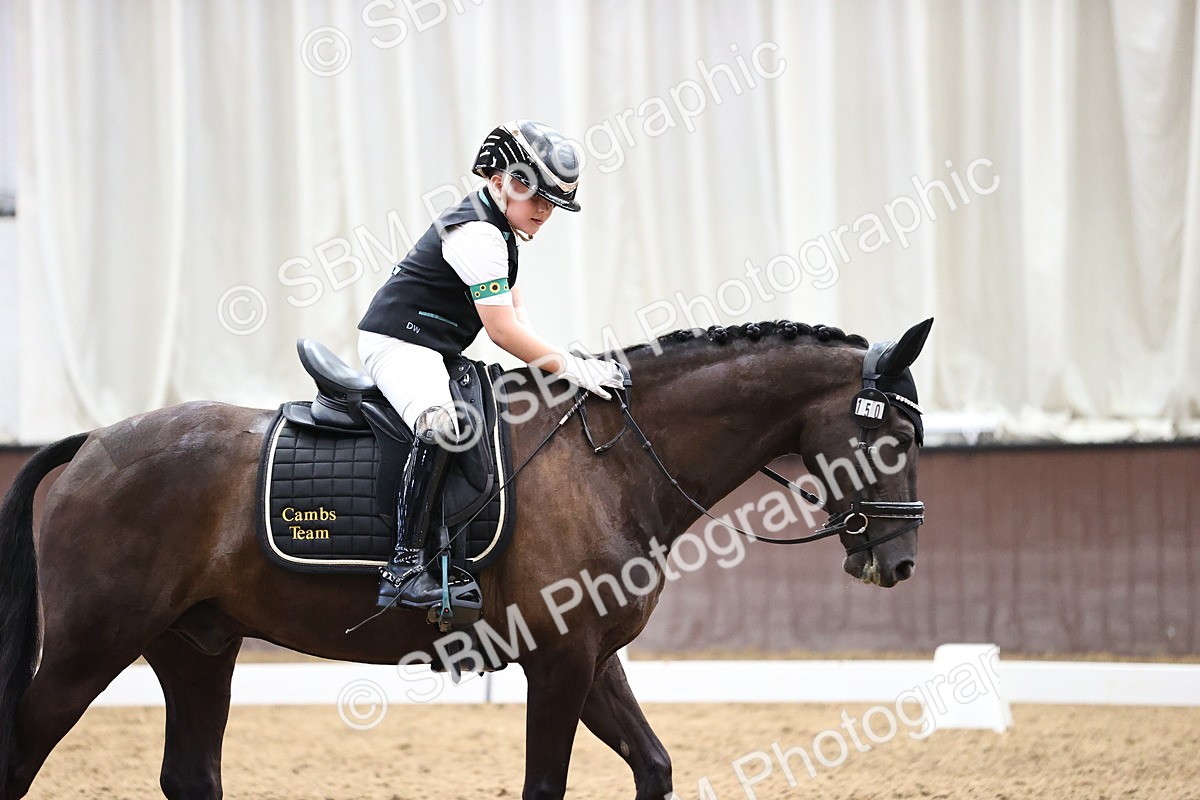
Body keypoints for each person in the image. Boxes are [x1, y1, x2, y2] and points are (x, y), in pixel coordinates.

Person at [358, 120, 624, 610]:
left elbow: (520, 320)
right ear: (502, 181)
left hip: (432, 346)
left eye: (553, 203)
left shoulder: (502, 231)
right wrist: (573, 370)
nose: (544, 211)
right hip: (397, 344)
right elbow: (503, 334)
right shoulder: (478, 235)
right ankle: (403, 567)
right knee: (442, 425)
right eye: (535, 196)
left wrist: (564, 361)